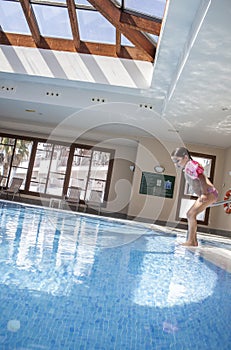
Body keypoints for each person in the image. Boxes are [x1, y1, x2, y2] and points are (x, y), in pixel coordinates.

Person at [171, 147, 218, 246]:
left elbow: (201, 178)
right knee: (191, 214)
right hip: (208, 193)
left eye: (177, 160)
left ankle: (191, 241)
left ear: (185, 157)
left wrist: (204, 194)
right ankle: (194, 241)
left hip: (209, 193)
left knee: (190, 214)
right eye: (174, 161)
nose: (176, 164)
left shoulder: (190, 165)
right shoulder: (188, 167)